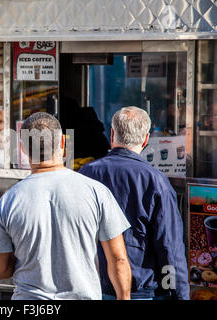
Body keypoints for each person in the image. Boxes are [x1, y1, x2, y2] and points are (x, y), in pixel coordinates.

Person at [0, 112, 132, 300]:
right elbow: (118, 259)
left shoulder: (8, 201)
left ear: (22, 148)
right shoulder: (96, 192)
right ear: (63, 143)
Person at [79, 106, 190, 300]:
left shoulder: (86, 174)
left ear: (112, 134)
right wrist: (179, 293)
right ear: (146, 139)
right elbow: (169, 246)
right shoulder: (156, 181)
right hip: (140, 289)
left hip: (91, 285)